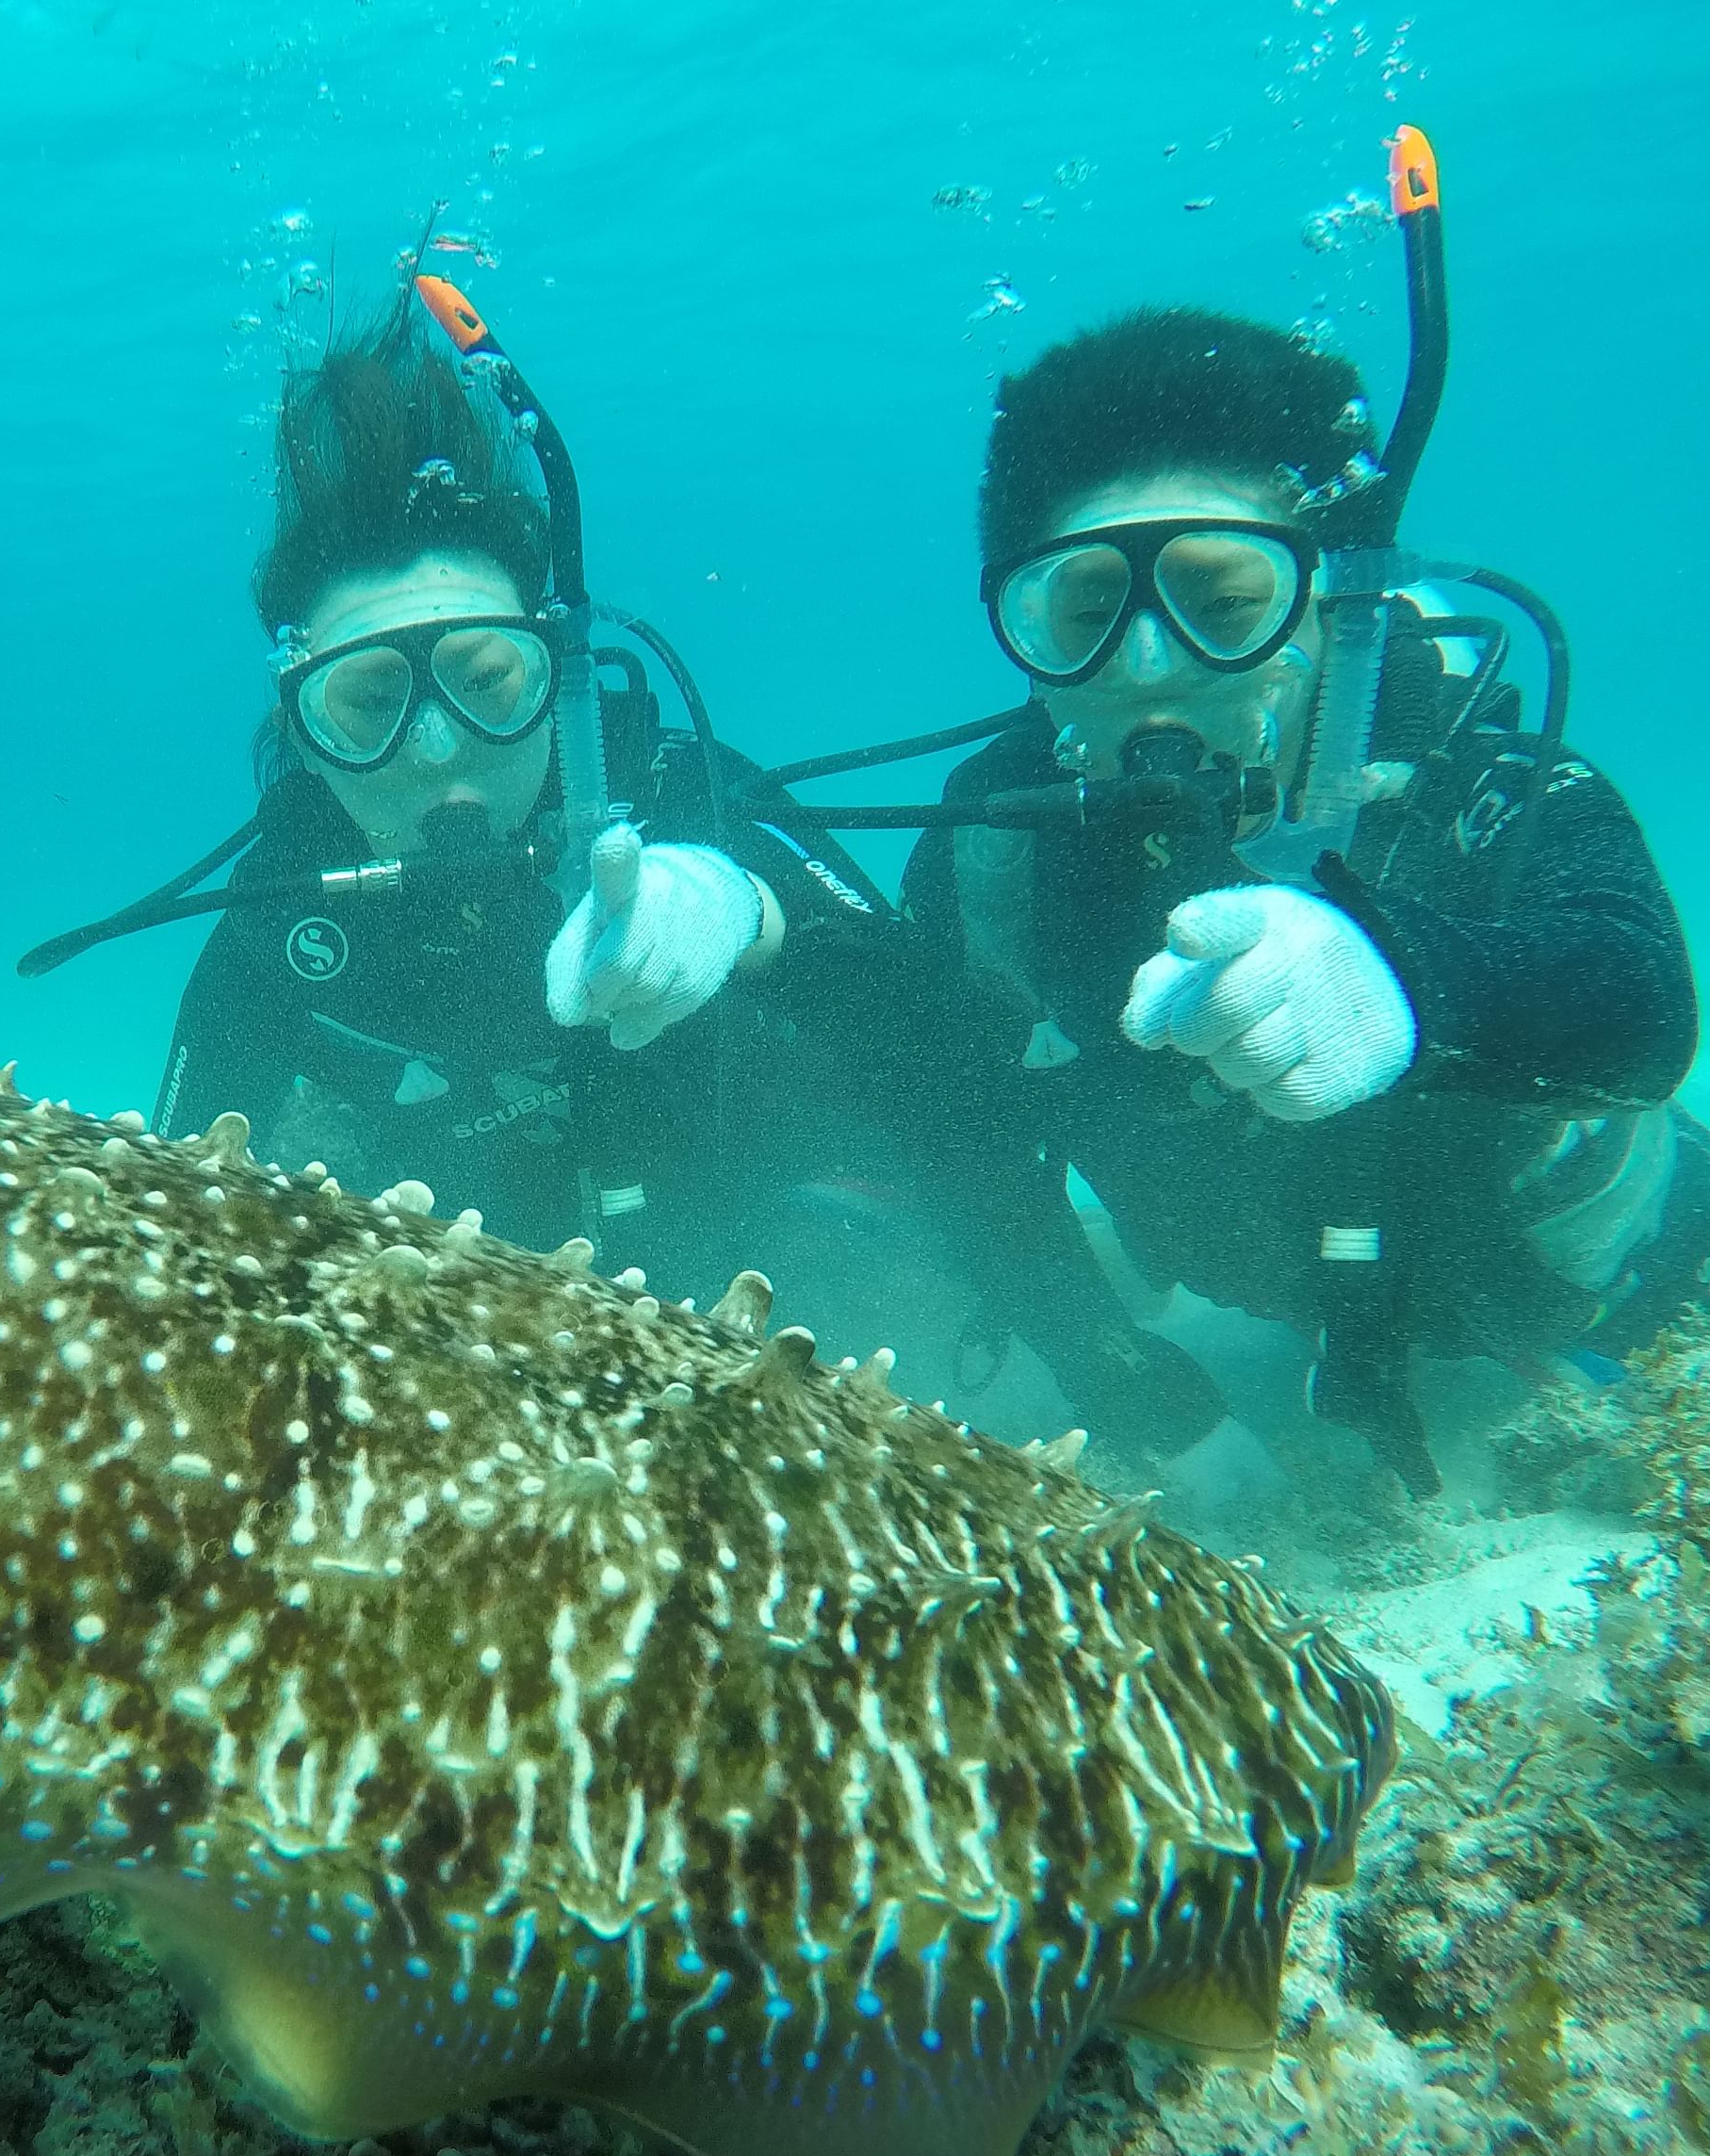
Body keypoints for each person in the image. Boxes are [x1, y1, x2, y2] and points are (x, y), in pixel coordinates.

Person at [152, 301, 1225, 1450]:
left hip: (782, 1243)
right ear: (303, 731)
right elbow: (172, 1207)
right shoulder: (281, 923)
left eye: (486, 681)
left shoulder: (684, 797)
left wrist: (754, 914)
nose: (435, 748)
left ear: (557, 679)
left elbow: (955, 1067)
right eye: (366, 703)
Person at [904, 304, 1710, 1489]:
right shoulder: (987, 854)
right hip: (1272, 1284)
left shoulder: (1471, 770)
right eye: (1089, 611)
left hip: (1571, 1275)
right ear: (1025, 623)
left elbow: (1640, 1001)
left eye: (1220, 603)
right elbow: (952, 1129)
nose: (1147, 665)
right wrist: (1127, 1382)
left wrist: (1402, 976)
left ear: (1333, 606)